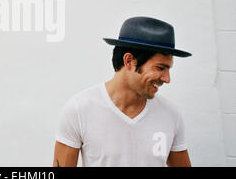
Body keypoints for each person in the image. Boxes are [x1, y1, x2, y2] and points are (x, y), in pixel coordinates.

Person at [53, 16, 192, 167]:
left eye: (168, 69)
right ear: (129, 61)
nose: (167, 78)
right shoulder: (79, 109)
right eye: (160, 68)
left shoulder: (171, 114)